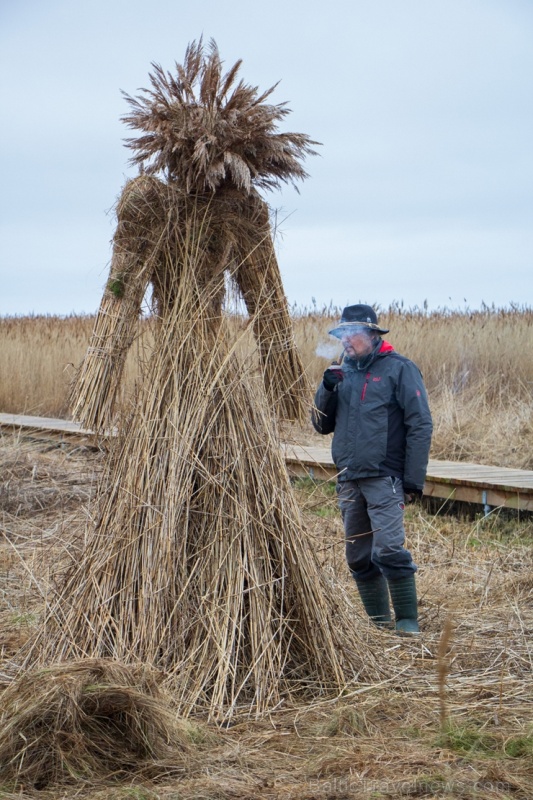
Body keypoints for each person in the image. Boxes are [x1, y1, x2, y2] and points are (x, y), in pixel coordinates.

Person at [312, 304, 433, 634]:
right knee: (357, 557)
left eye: (352, 334)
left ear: (372, 335)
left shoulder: (399, 369)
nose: (346, 341)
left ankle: (407, 622)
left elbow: (420, 424)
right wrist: (326, 389)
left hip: (384, 475)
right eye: (342, 335)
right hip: (349, 478)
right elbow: (320, 426)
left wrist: (412, 478)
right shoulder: (340, 372)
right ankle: (379, 624)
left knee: (389, 549)